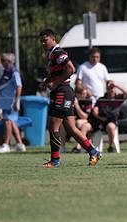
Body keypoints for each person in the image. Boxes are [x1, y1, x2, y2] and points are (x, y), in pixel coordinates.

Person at [39, 29, 101, 167]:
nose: (43, 43)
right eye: (41, 41)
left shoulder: (58, 52)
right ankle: (93, 152)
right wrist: (47, 81)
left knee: (53, 126)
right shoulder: (51, 54)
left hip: (62, 91)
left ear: (53, 39)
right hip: (62, 91)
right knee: (71, 129)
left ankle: (55, 161)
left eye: (45, 40)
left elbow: (70, 69)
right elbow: (58, 71)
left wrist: (55, 83)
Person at [0, 53, 26, 153]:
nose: (2, 62)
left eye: (3, 60)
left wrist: (16, 101)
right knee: (11, 122)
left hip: (11, 102)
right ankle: (20, 144)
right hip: (5, 102)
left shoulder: (14, 72)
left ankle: (6, 145)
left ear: (9, 62)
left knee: (7, 121)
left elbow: (19, 86)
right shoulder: (6, 71)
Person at [90, 80, 127, 153]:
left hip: (112, 121)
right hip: (101, 121)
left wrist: (116, 85)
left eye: (112, 88)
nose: (111, 89)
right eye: (109, 88)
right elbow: (95, 111)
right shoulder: (101, 99)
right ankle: (90, 148)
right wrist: (100, 117)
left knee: (110, 127)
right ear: (106, 88)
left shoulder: (118, 97)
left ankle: (110, 146)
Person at [71, 84, 94, 153]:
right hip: (77, 123)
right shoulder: (71, 101)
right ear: (77, 94)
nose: (85, 95)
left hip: (90, 122)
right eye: (83, 94)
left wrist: (77, 106)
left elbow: (85, 117)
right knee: (63, 125)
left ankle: (79, 146)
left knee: (80, 123)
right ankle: (62, 147)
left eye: (85, 93)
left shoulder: (88, 101)